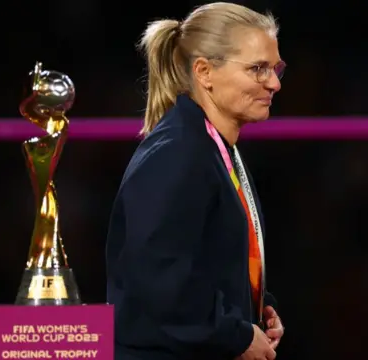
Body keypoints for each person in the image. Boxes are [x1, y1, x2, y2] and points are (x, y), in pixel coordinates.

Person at [105, 2, 286, 360]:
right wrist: (234, 334)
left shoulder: (213, 148)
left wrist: (256, 306)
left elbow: (204, 257)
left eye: (276, 67)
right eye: (258, 69)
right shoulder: (178, 152)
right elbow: (159, 279)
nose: (275, 83)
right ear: (204, 72)